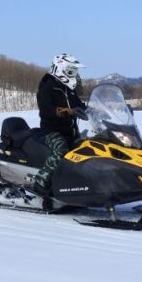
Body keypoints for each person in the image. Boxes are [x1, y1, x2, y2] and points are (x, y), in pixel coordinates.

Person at [34, 53, 88, 195]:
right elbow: (46, 111)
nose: (73, 74)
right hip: (51, 131)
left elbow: (79, 105)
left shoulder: (68, 89)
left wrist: (96, 110)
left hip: (70, 131)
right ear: (60, 69)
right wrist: (67, 111)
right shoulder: (47, 87)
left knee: (88, 148)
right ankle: (40, 181)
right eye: (71, 71)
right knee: (61, 151)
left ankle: (83, 183)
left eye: (74, 71)